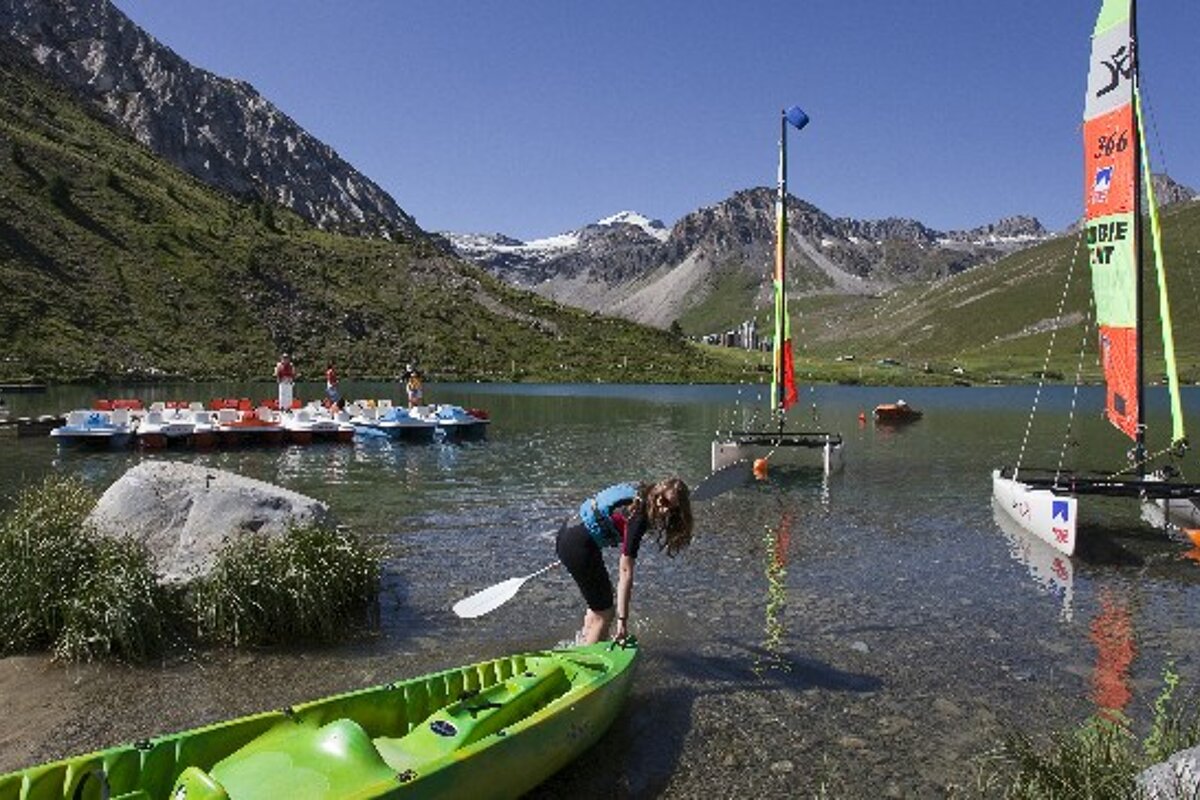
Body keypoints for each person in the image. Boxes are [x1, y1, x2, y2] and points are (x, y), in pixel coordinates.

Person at [556, 477, 694, 645]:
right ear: (657, 492)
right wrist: (622, 621)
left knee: (598, 604)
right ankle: (587, 661)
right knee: (605, 612)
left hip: (569, 535)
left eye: (672, 510)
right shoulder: (639, 515)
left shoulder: (638, 490)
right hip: (578, 546)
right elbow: (626, 571)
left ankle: (583, 643)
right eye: (664, 501)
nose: (664, 510)